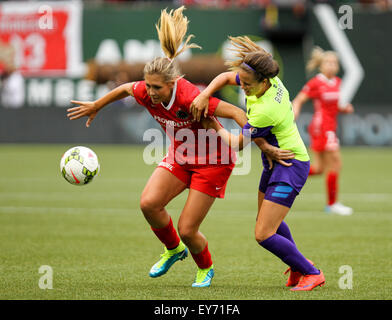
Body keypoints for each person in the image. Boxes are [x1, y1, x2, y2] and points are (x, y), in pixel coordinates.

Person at [67, 7, 289, 288]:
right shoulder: (146, 91)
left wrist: (261, 144)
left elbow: (238, 114)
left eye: (156, 88)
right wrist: (96, 106)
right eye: (147, 86)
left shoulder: (191, 98)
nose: (149, 92)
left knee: (187, 228)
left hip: (214, 163)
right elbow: (125, 89)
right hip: (182, 157)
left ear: (172, 84)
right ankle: (173, 251)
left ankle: (205, 267)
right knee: (149, 204)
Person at [192, 36, 325, 291]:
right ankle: (297, 267)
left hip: (291, 166)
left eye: (249, 85)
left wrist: (213, 125)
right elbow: (224, 78)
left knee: (263, 234)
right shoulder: (266, 80)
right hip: (273, 163)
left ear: (264, 82)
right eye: (243, 82)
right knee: (266, 223)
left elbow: (236, 144)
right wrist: (205, 94)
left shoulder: (265, 110)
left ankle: (312, 272)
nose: (243, 87)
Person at [292, 47, 354, 216]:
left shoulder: (338, 83)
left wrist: (344, 108)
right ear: (321, 66)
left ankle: (288, 174)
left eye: (334, 63)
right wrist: (295, 111)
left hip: (328, 127)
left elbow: (334, 106)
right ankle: (332, 204)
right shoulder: (316, 82)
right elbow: (299, 99)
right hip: (321, 127)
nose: (331, 65)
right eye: (328, 62)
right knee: (336, 164)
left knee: (319, 169)